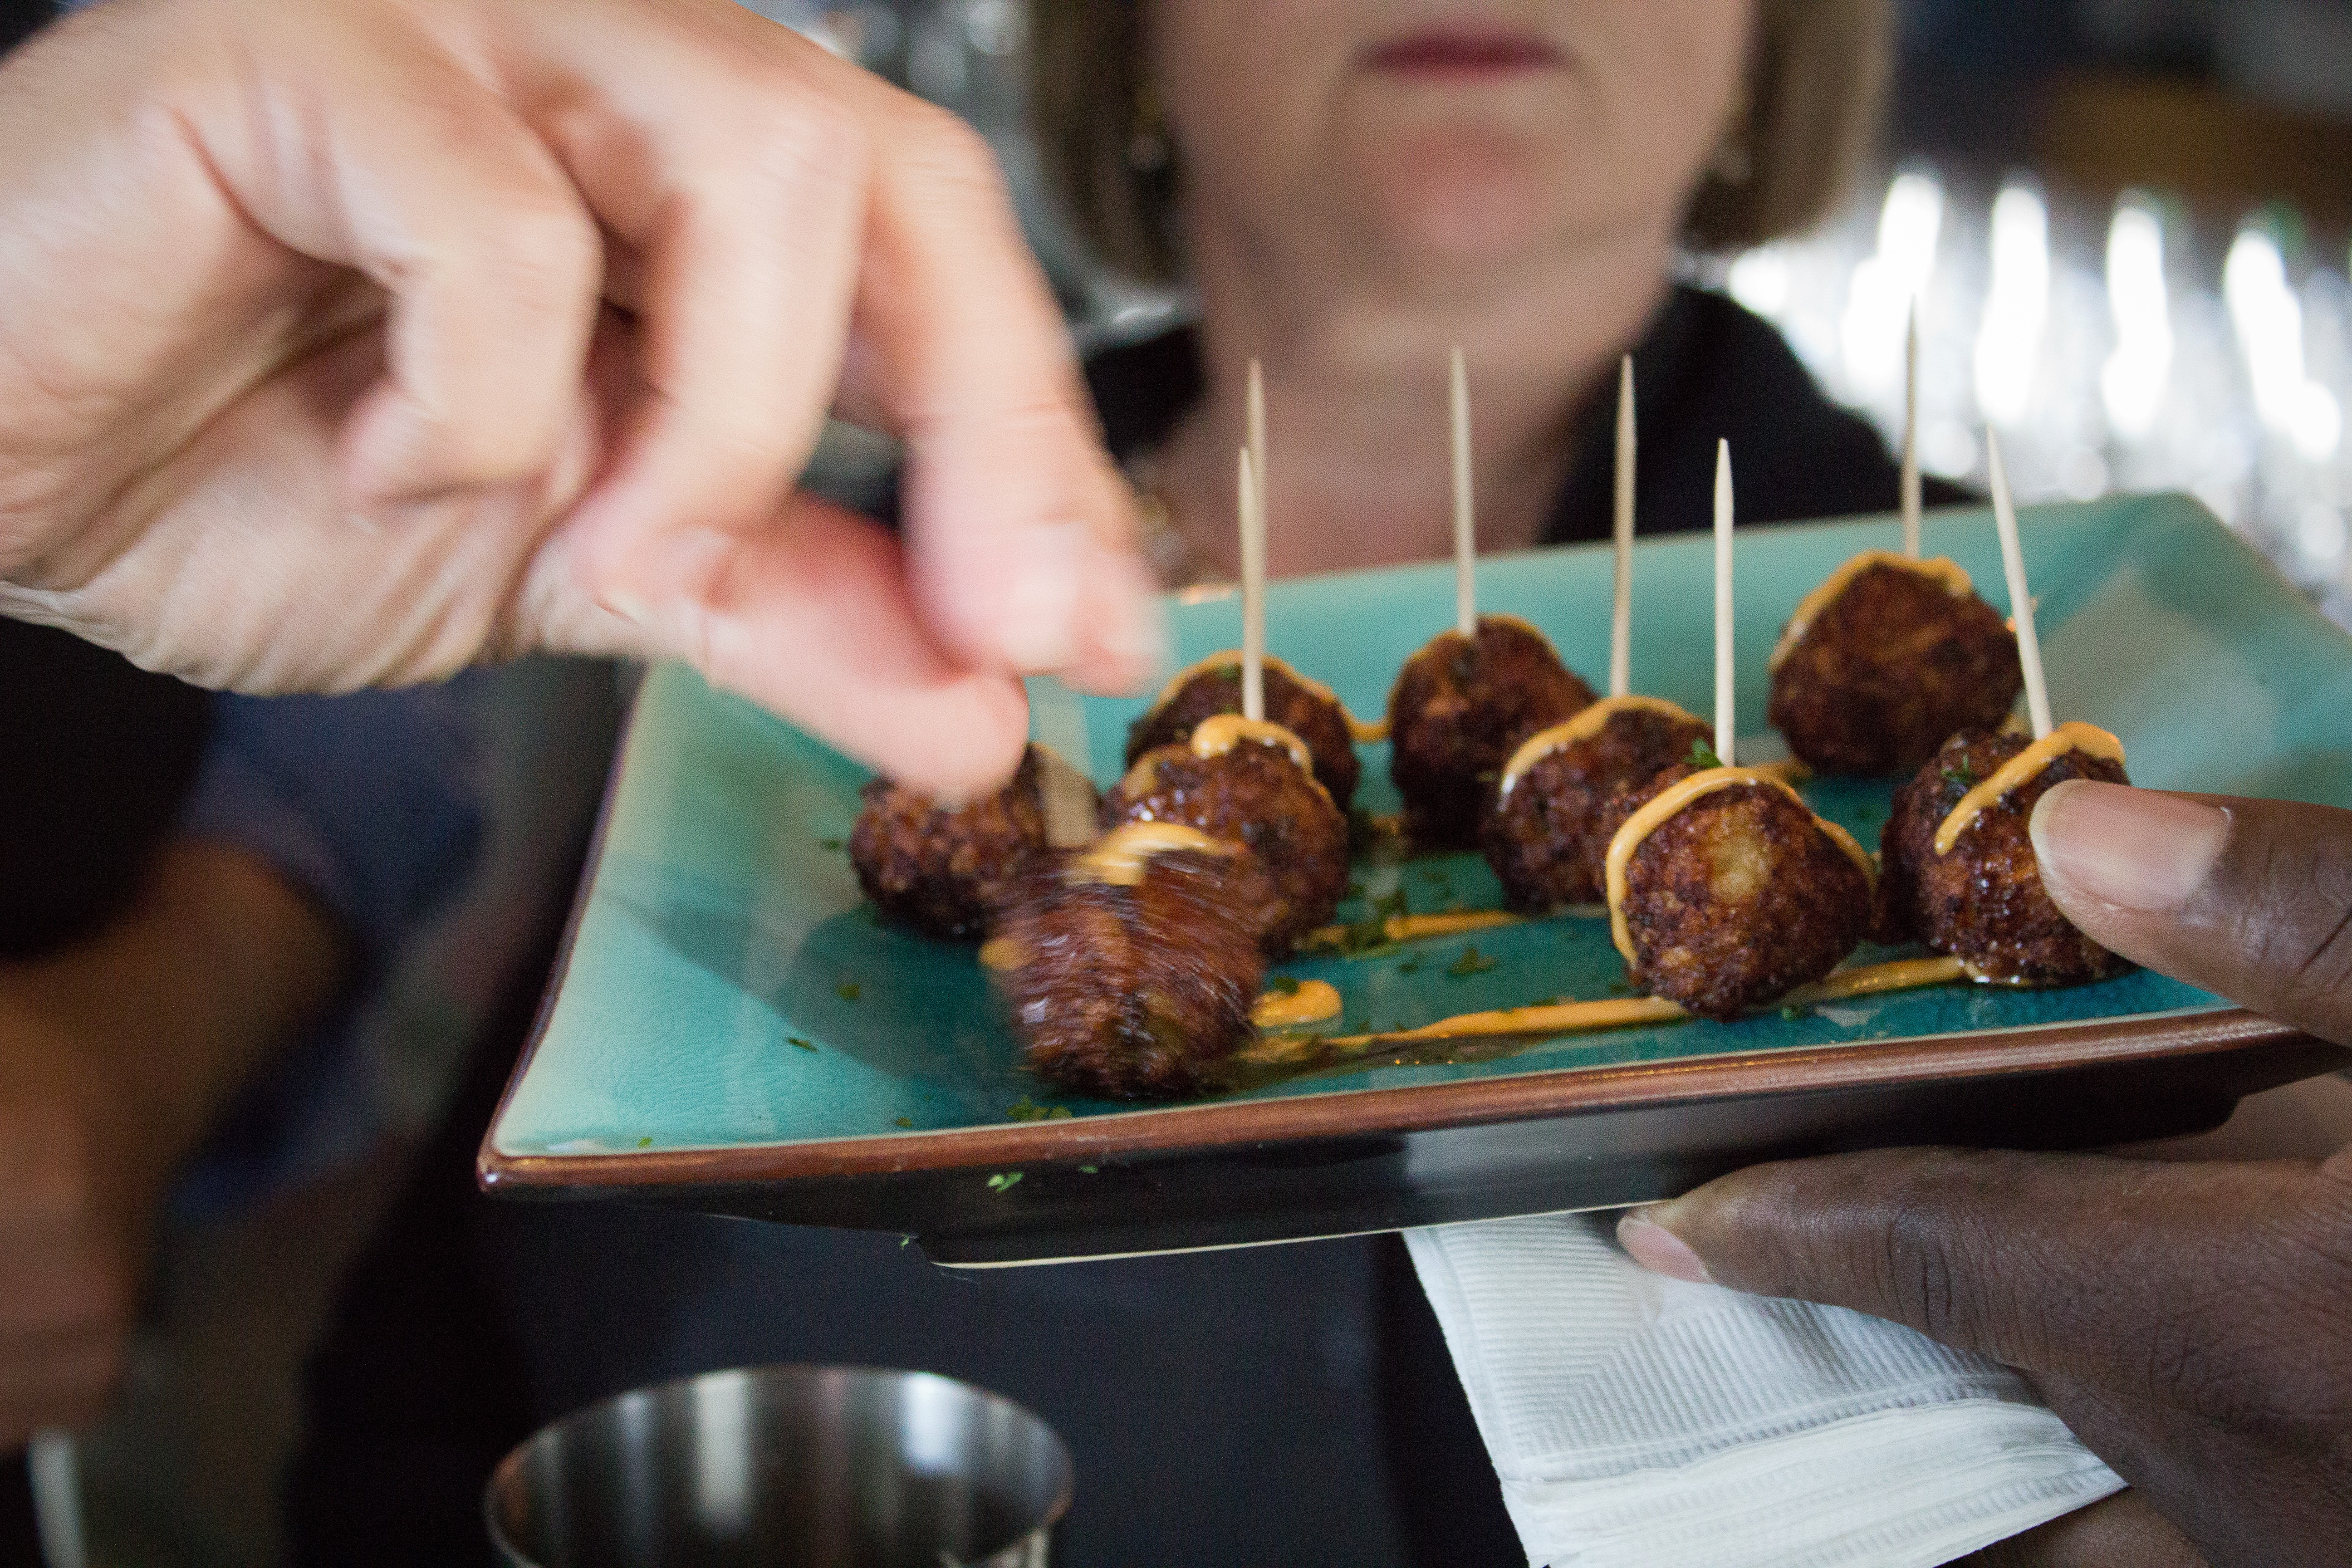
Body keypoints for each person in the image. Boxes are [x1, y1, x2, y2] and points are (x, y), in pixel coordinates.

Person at [0, 0, 2340, 1563]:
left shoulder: (2041, 716)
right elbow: (432, 1402)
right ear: (1126, 46)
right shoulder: (725, 561)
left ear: (1763, 46)